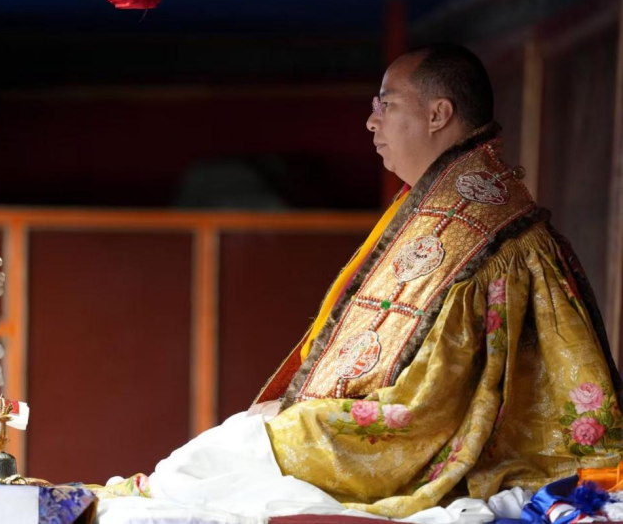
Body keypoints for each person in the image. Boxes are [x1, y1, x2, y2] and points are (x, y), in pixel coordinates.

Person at [96, 43, 623, 520]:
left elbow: (431, 395)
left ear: (439, 114)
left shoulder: (480, 226)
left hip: (425, 435)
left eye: (386, 105)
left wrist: (310, 413)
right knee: (216, 457)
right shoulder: (444, 201)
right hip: (397, 415)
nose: (371, 122)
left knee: (217, 462)